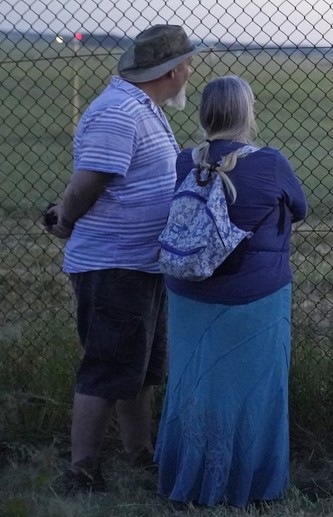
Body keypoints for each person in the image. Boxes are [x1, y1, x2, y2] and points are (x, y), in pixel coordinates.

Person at [42, 24, 202, 491]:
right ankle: (81, 470)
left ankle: (139, 455)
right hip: (115, 265)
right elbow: (89, 181)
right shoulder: (119, 113)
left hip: (140, 264)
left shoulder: (141, 108)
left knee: (141, 368)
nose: (190, 71)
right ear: (170, 72)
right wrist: (65, 219)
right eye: (186, 64)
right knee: (108, 365)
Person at [154, 75, 307, 507]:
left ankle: (191, 475)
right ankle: (251, 482)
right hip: (254, 299)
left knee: (193, 387)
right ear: (247, 113)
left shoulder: (186, 161)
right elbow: (300, 208)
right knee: (256, 390)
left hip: (188, 297)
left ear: (205, 114)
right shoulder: (270, 162)